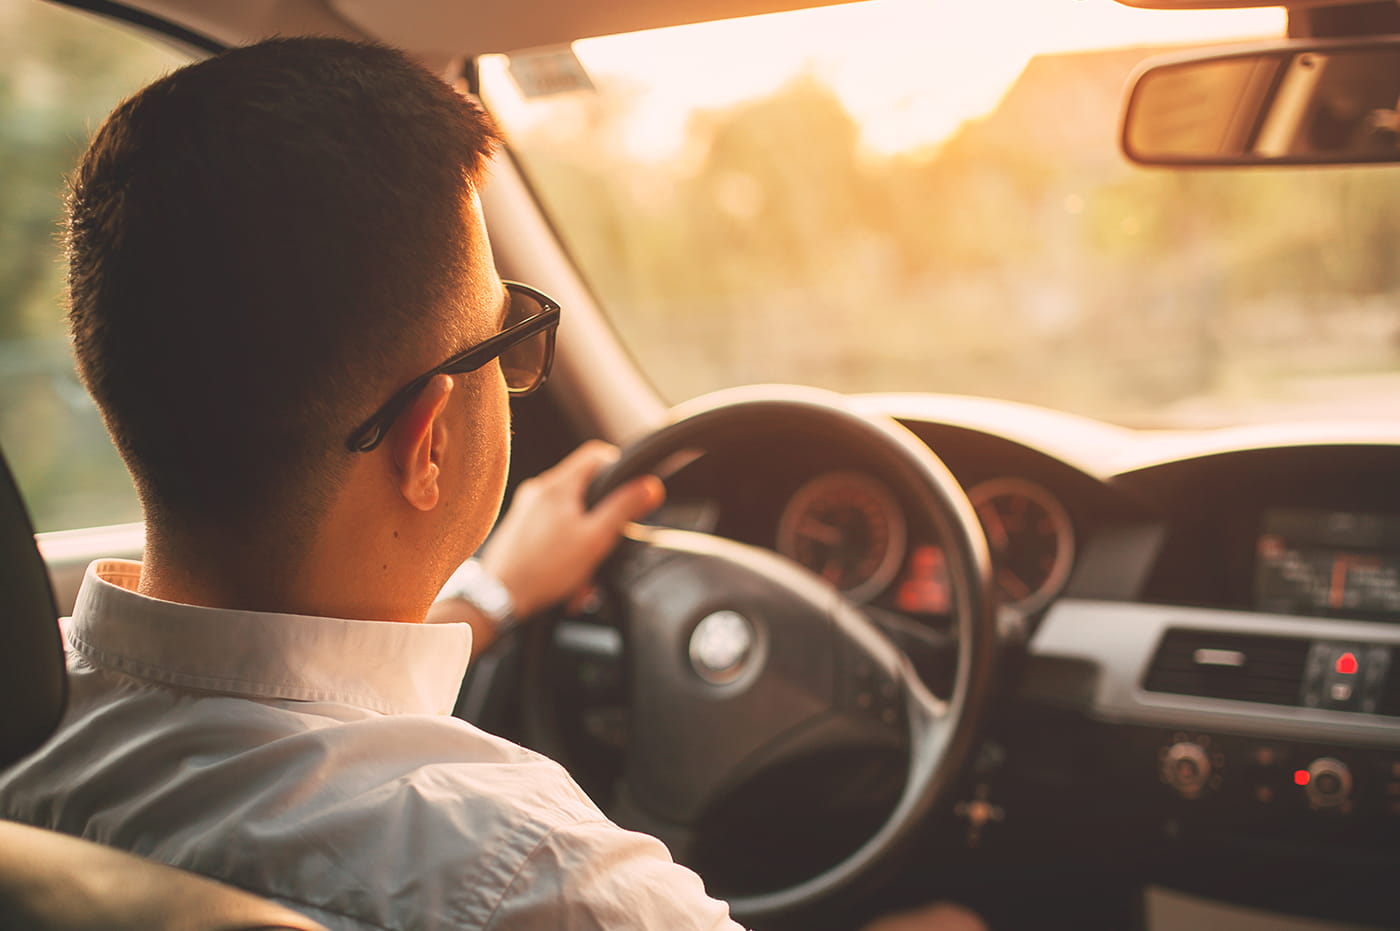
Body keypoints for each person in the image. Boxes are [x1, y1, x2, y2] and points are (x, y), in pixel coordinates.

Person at [0, 36, 980, 931]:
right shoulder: (539, 880)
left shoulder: (31, 728)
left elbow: (258, 695)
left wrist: (493, 596)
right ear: (425, 443)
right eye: (506, 334)